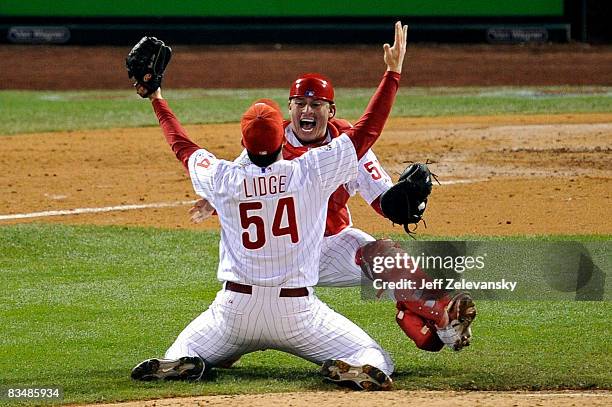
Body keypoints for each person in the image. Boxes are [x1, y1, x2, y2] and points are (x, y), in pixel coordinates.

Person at [130, 21, 408, 391]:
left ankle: (183, 360)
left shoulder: (225, 178)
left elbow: (180, 144)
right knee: (373, 353)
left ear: (244, 142)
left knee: (186, 347)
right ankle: (360, 365)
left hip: (234, 313)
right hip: (297, 315)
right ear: (284, 137)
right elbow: (366, 130)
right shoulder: (309, 172)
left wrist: (156, 97)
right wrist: (392, 72)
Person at [189, 52, 475, 354]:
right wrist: (212, 200)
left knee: (388, 259)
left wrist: (404, 201)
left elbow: (383, 202)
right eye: (299, 104)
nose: (306, 111)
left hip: (329, 246)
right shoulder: (271, 139)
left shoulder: (348, 145)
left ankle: (443, 324)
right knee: (255, 309)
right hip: (282, 253)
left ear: (331, 110)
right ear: (290, 108)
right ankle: (230, 346)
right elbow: (237, 179)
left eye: (316, 105)